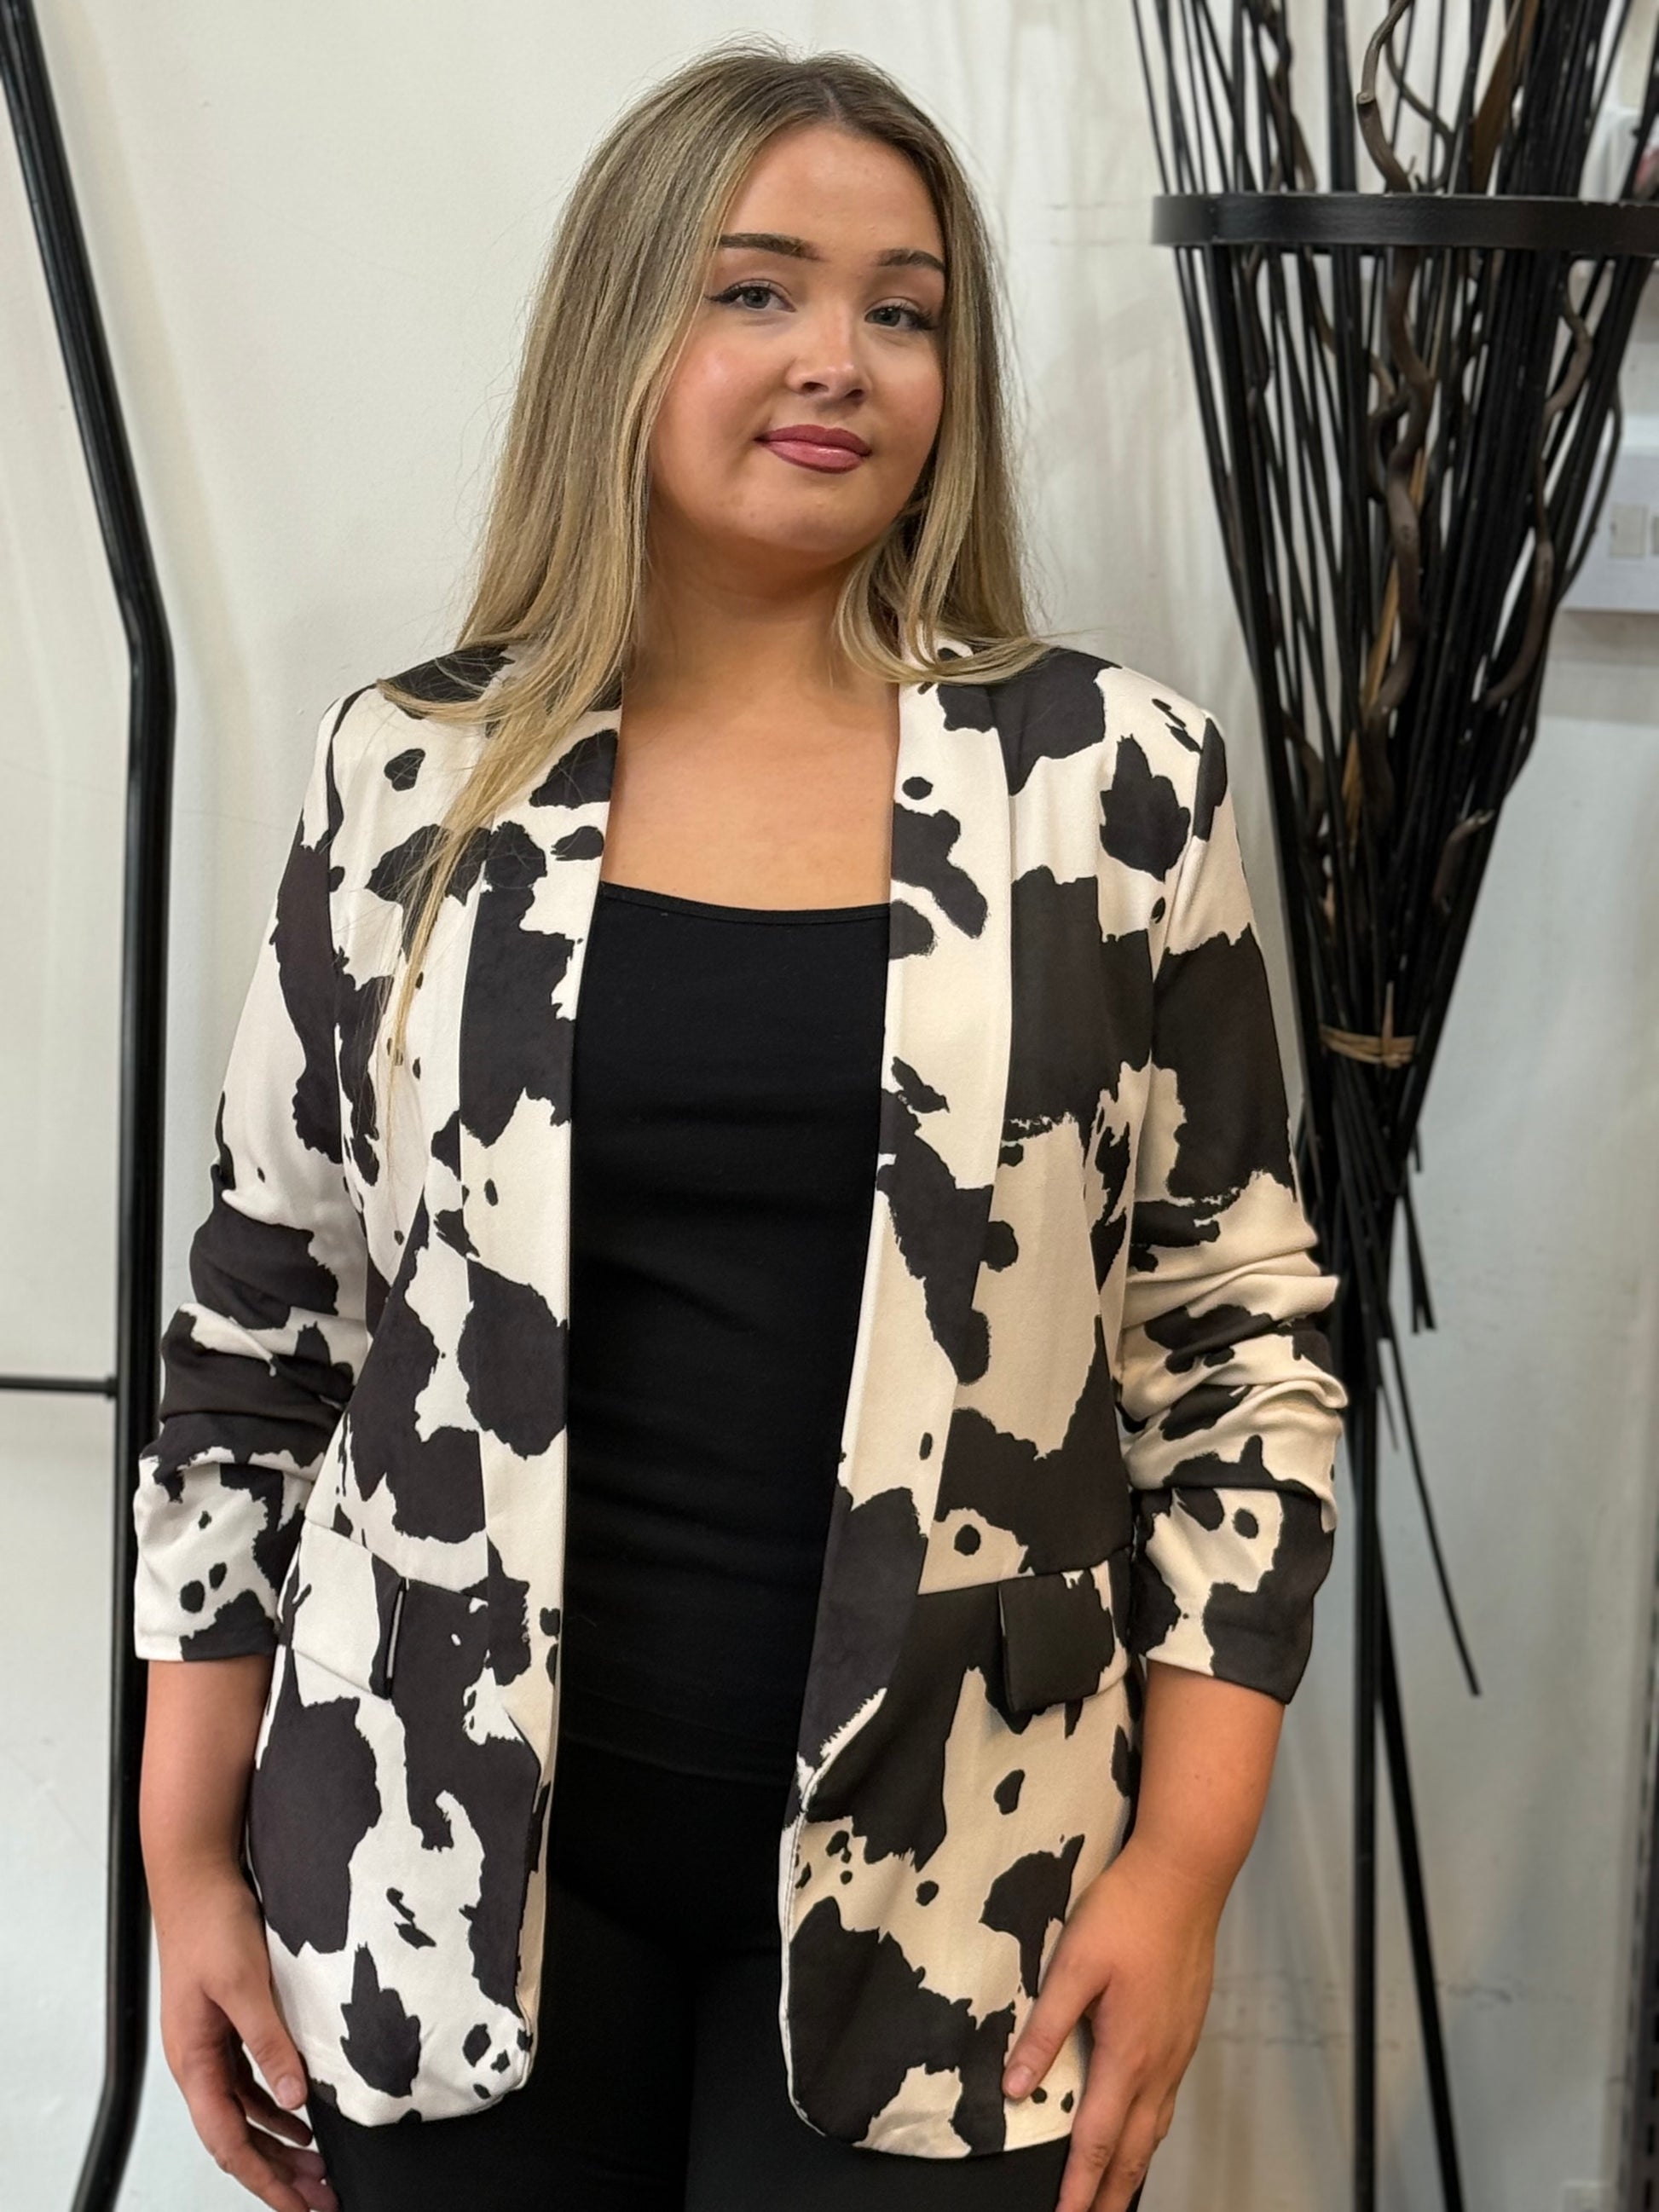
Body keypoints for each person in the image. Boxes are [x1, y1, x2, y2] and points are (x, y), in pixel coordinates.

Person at [131, 37, 1348, 2212]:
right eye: (757, 289)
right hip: (434, 1862)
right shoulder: (414, 778)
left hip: (964, 1898)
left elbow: (1236, 1353)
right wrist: (183, 1854)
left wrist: (1182, 1865)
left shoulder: (1107, 785)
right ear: (623, 326)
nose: (839, 361)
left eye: (905, 309)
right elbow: (258, 1337)